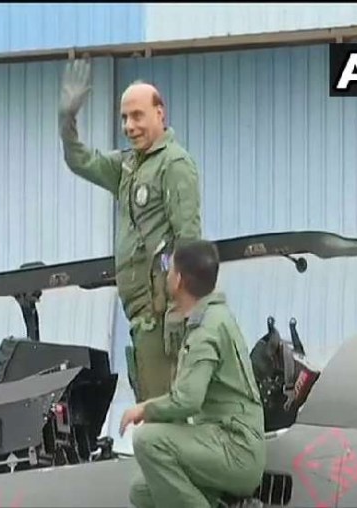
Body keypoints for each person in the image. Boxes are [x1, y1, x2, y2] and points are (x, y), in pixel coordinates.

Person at [58, 58, 203, 402]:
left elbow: (188, 242)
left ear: (160, 114)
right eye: (124, 118)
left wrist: (180, 310)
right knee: (152, 408)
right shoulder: (126, 167)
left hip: (164, 317)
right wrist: (67, 120)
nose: (129, 126)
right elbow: (80, 160)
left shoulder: (174, 164)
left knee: (166, 415)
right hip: (141, 319)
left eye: (137, 116)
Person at [118, 239, 266, 508]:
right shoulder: (213, 317)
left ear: (179, 280)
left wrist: (144, 409)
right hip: (222, 440)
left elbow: (188, 400)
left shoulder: (207, 328)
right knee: (142, 491)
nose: (166, 273)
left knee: (148, 441)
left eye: (169, 266)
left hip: (235, 448)